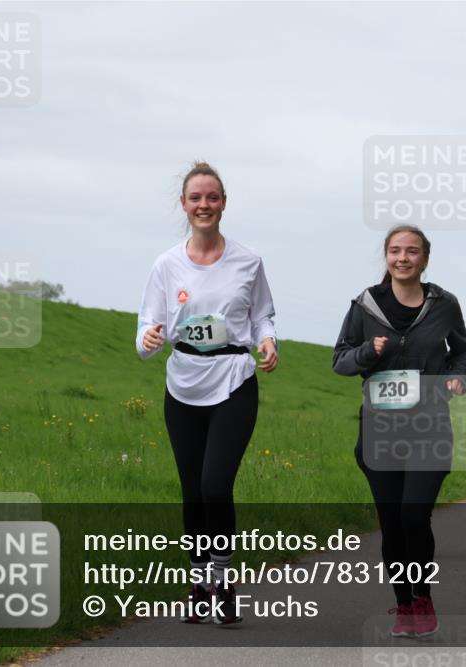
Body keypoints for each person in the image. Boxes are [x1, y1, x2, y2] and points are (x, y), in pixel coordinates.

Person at [136, 162, 279, 624]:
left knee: (216, 484)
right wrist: (149, 341)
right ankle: (200, 582)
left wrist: (267, 340)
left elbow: (263, 316)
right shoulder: (166, 264)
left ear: (223, 203)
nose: (204, 205)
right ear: (184, 205)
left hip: (234, 378)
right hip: (183, 382)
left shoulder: (248, 261)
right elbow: (145, 330)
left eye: (212, 197)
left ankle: (224, 579)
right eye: (196, 198)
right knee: (192, 491)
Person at [333, 224, 466, 638]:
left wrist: (456, 378)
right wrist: (366, 352)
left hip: (430, 427)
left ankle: (423, 596)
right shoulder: (364, 306)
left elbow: (461, 347)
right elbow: (339, 361)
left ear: (425, 259)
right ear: (387, 257)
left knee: (415, 515)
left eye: (412, 251)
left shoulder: (445, 304)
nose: (403, 258)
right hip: (380, 431)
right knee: (392, 523)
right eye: (395, 251)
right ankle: (403, 604)